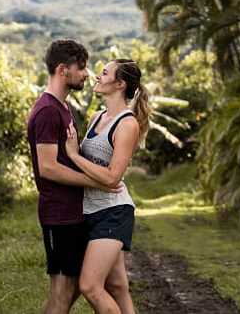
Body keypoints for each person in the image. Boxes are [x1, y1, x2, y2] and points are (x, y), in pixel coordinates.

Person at [26, 40, 124, 314]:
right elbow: (49, 168)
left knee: (75, 290)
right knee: (63, 292)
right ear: (62, 70)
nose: (86, 74)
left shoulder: (62, 107)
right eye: (81, 68)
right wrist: (97, 181)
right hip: (59, 215)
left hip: (73, 213)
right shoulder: (47, 111)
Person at [64, 59, 150, 314]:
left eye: (104, 73)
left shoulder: (127, 124)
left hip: (113, 212)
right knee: (117, 285)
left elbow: (113, 177)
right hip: (90, 211)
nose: (97, 77)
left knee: (90, 286)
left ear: (120, 84)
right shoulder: (97, 116)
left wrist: (74, 156)